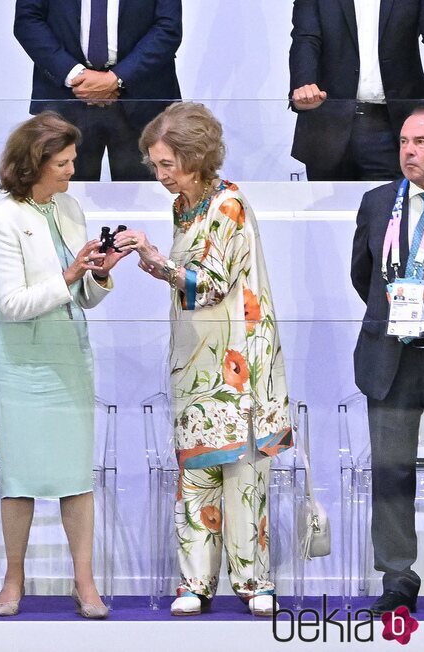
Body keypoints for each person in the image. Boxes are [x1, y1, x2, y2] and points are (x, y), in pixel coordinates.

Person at [131, 102, 292, 617]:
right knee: (197, 471)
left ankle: (253, 581)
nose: (159, 176)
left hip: (238, 360)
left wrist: (158, 264)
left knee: (243, 473)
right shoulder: (183, 205)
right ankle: (196, 582)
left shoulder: (228, 203)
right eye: (155, 166)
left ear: (196, 156)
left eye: (166, 165)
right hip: (195, 359)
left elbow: (212, 283)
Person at [0, 111, 138, 619]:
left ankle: (85, 582)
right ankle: (12, 579)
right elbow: (13, 304)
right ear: (36, 162)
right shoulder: (2, 219)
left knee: (76, 475)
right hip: (23, 362)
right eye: (65, 162)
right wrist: (71, 272)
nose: (74, 169)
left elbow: (82, 297)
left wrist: (100, 275)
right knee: (20, 477)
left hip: (69, 355)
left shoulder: (69, 208)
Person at [350, 106, 424, 614]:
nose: (409, 151)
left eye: (422, 142)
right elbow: (360, 273)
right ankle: (397, 577)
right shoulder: (378, 201)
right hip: (390, 358)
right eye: (405, 142)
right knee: (391, 473)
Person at [14, 0, 182, 181]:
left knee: (146, 200)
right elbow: (28, 21)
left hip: (142, 98)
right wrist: (75, 75)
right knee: (60, 199)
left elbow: (168, 27)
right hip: (65, 101)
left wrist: (117, 78)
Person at [289, 0, 424, 181]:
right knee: (328, 208)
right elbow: (306, 38)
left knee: (392, 205)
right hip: (328, 126)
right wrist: (304, 85)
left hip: (395, 126)